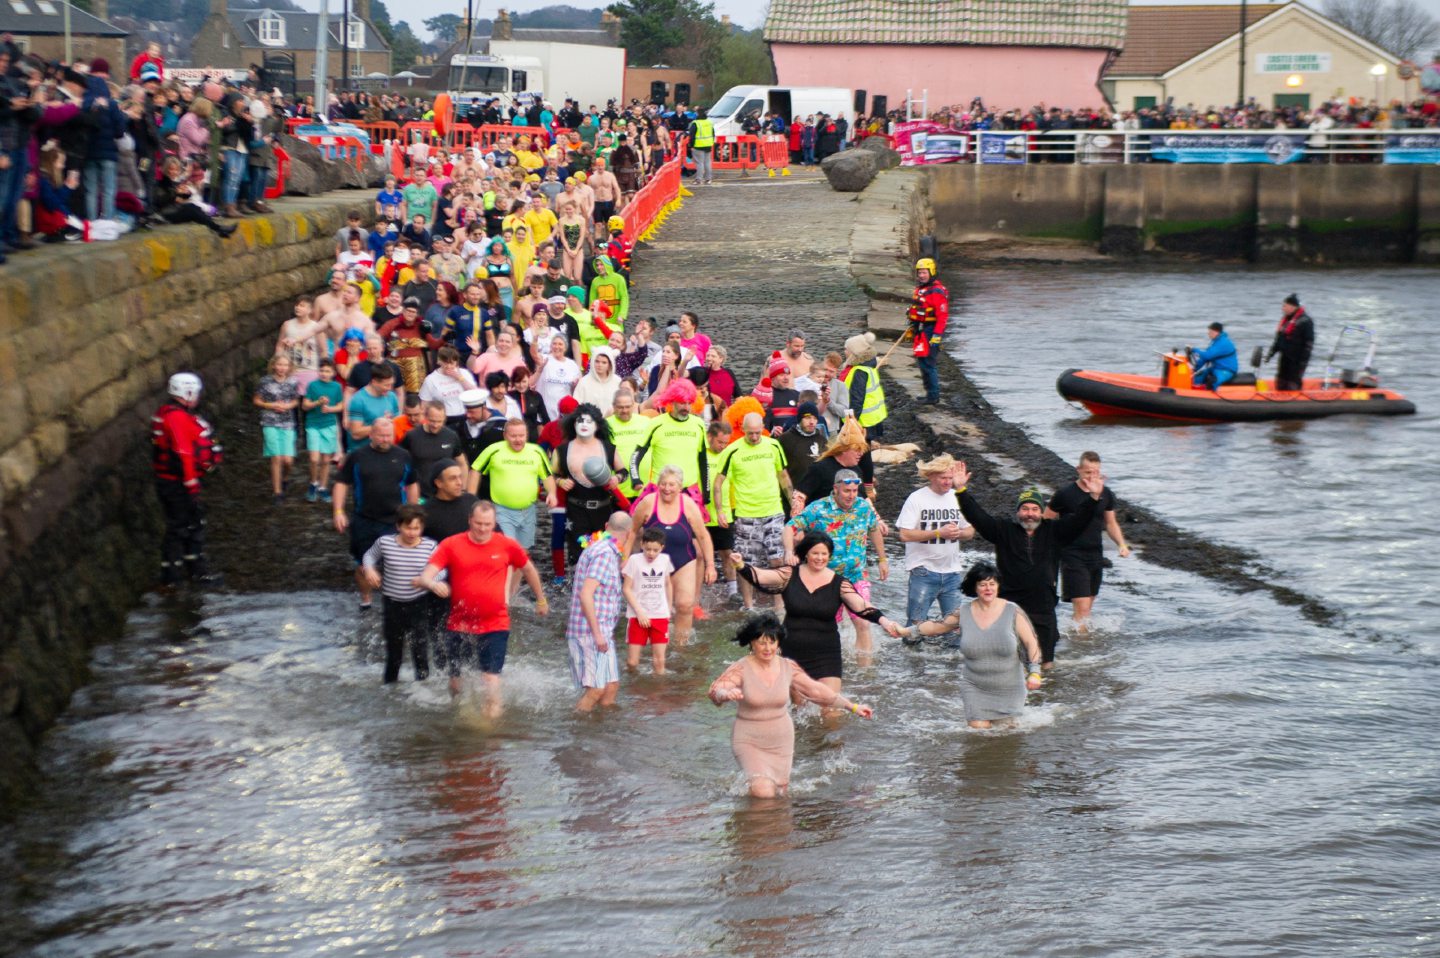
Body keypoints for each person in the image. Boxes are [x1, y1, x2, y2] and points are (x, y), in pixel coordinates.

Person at [952, 460, 1104, 667]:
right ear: (1018, 512)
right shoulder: (1003, 530)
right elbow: (978, 517)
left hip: (1044, 607)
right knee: (1009, 661)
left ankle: (1046, 698)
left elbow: (1080, 520)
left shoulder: (1055, 531)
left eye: (1034, 508)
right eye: (1025, 508)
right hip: (1010, 605)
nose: (1030, 513)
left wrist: (1094, 498)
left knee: (1046, 664)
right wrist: (961, 490)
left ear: (1041, 512)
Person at [708, 612, 874, 799]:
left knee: (779, 794)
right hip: (749, 740)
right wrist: (725, 694)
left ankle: (769, 826)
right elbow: (716, 690)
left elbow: (816, 691)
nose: (767, 648)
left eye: (772, 642)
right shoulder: (741, 667)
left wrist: (851, 706)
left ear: (779, 643)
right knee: (763, 791)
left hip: (781, 741)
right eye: (762, 642)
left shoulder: (787, 667)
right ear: (751, 643)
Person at [416, 501, 548, 713]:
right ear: (470, 520)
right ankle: (457, 710)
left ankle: (490, 730)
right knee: (456, 683)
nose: (483, 529)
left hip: (496, 622)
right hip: (460, 623)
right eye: (478, 523)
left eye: (488, 524)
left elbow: (529, 570)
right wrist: (433, 584)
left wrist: (541, 600)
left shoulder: (507, 545)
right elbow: (425, 576)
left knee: (490, 678)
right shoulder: (451, 544)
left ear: (494, 523)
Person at [909, 562, 1044, 728]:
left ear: (998, 586)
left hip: (1009, 687)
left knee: (1006, 737)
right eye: (983, 584)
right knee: (978, 732)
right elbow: (937, 626)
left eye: (992, 584)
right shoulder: (964, 612)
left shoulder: (1012, 611)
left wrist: (1035, 672)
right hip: (974, 686)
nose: (988, 588)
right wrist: (906, 631)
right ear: (975, 587)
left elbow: (1031, 641)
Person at [784, 468, 888, 656]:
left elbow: (874, 529)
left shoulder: (863, 507)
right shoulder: (818, 509)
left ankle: (865, 674)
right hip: (825, 580)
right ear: (836, 488)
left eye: (855, 491)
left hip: (856, 575)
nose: (851, 496)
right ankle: (823, 664)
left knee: (863, 622)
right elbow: (789, 528)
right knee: (827, 627)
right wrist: (789, 552)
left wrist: (882, 559)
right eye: (847, 491)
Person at [332, 418, 419, 611]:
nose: (385, 439)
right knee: (364, 564)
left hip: (395, 520)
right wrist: (338, 511)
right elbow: (341, 483)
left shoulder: (403, 455)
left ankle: (396, 599)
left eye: (388, 435)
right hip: (365, 518)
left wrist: (414, 515)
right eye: (381, 435)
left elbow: (412, 484)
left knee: (397, 563)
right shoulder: (357, 456)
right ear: (371, 434)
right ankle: (366, 599)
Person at [626, 464, 716, 643]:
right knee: (655, 608)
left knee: (684, 605)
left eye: (672, 485)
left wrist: (710, 566)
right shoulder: (648, 503)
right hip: (653, 564)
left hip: (683, 561)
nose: (667, 489)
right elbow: (632, 532)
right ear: (658, 484)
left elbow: (703, 536)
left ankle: (680, 647)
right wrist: (625, 559)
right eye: (663, 484)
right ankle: (656, 645)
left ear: (680, 487)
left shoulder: (688, 504)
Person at [1043, 451, 1130, 632]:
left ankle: (1079, 642)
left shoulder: (1106, 493)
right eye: (1088, 472)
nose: (1091, 476)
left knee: (1087, 607)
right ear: (1078, 470)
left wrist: (1121, 544)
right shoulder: (1065, 494)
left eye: (1095, 472)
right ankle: (1082, 651)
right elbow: (1046, 521)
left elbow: (1111, 523)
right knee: (1082, 607)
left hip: (1095, 554)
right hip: (1071, 554)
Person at [713, 413, 792, 612]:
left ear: (763, 428)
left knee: (777, 558)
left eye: (757, 433)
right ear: (743, 430)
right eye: (750, 433)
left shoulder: (773, 446)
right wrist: (720, 510)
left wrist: (794, 504)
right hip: (746, 514)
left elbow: (783, 476)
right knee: (746, 563)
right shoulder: (732, 450)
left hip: (773, 510)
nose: (754, 437)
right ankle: (749, 606)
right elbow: (718, 482)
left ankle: (779, 605)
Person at [150, 372, 223, 586]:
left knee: (191, 524)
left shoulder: (166, 413)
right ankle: (174, 577)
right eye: (196, 393)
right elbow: (184, 452)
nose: (198, 397)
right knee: (181, 526)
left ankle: (191, 572)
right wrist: (191, 484)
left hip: (173, 480)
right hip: (177, 483)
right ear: (187, 392)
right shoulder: (176, 417)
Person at [361, 504, 438, 684]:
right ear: (398, 526)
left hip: (418, 603)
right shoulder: (385, 543)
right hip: (392, 604)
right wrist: (369, 569)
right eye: (408, 528)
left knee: (420, 651)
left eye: (416, 528)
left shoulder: (430, 546)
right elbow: (369, 556)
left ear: (422, 528)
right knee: (393, 653)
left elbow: (441, 570)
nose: (412, 533)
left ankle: (423, 690)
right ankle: (389, 691)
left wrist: (428, 580)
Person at [897, 454, 974, 629]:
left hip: (952, 572)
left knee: (955, 626)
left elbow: (970, 531)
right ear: (931, 476)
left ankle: (950, 657)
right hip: (923, 571)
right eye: (943, 478)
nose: (948, 482)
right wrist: (939, 532)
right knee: (915, 625)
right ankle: (911, 655)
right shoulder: (917, 498)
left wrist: (958, 533)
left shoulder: (956, 498)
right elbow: (904, 535)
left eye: (950, 478)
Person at [566, 511, 632, 711]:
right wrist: (597, 634)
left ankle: (600, 735)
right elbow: (586, 594)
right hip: (590, 632)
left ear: (606, 525)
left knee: (611, 686)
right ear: (629, 534)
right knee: (596, 689)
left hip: (602, 630)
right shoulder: (604, 554)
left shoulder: (604, 548)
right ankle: (577, 731)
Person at [469, 419, 556, 561]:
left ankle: (513, 584)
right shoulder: (494, 450)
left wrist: (552, 493)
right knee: (508, 550)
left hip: (528, 510)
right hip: (502, 510)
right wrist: (470, 499)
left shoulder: (536, 452)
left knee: (523, 554)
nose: (518, 440)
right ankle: (505, 583)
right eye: (513, 436)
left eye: (521, 436)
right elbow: (475, 471)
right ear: (505, 435)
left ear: (526, 435)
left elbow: (547, 476)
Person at [622, 527, 676, 674]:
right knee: (632, 662)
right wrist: (640, 613)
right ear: (642, 545)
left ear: (662, 548)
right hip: (637, 616)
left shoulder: (665, 560)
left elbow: (667, 584)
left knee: (659, 662)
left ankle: (658, 694)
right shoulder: (634, 560)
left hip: (659, 615)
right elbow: (626, 588)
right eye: (647, 549)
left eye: (655, 550)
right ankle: (633, 687)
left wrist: (669, 608)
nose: (651, 553)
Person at [253, 354, 300, 504]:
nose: (282, 368)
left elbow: (295, 400)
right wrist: (270, 405)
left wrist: (287, 406)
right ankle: (277, 492)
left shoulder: (293, 382)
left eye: (285, 365)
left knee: (288, 460)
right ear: (273, 365)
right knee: (277, 458)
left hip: (287, 422)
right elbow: (257, 400)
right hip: (269, 421)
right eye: (279, 365)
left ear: (289, 367)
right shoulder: (265, 381)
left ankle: (285, 478)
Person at [400, 400, 465, 500]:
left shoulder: (451, 436)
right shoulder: (412, 436)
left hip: (445, 495)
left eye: (439, 422)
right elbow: (400, 461)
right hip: (420, 496)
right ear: (425, 417)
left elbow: (462, 463)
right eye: (432, 421)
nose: (435, 425)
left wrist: (462, 488)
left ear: (445, 419)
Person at [907, 257, 949, 405]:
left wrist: (937, 336)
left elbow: (942, 316)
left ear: (931, 272)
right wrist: (913, 326)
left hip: (931, 330)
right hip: (921, 329)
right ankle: (929, 394)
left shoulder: (937, 291)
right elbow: (918, 310)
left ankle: (933, 396)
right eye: (919, 272)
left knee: (928, 363)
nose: (921, 275)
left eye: (924, 272)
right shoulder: (921, 290)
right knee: (922, 361)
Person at [302, 359, 345, 502]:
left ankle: (323, 487)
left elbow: (341, 405)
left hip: (329, 425)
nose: (324, 374)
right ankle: (313, 483)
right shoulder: (312, 386)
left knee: (326, 460)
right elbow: (305, 406)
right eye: (322, 371)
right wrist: (317, 403)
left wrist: (330, 409)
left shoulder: (337, 387)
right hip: (313, 425)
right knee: (314, 459)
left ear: (333, 373)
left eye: (327, 371)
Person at [842, 332, 888, 440]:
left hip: (862, 422)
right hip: (872, 419)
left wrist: (851, 421)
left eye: (846, 349)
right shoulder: (868, 367)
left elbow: (857, 399)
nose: (844, 351)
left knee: (860, 452)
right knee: (865, 451)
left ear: (854, 353)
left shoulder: (859, 372)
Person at [1267, 293, 1315, 391]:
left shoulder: (1305, 321)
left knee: (1293, 382)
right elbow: (1278, 340)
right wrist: (1270, 354)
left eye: (1285, 306)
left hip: (1297, 359)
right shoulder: (1286, 320)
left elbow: (1309, 342)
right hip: (1285, 357)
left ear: (1292, 306)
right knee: (1281, 381)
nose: (1283, 308)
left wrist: (1303, 360)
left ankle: (1295, 403)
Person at [1190, 322, 1239, 390]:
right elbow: (1204, 358)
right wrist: (1193, 370)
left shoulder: (1223, 343)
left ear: (1216, 332)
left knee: (1213, 381)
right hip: (1216, 368)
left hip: (1226, 370)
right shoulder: (1215, 342)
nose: (1208, 333)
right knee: (1198, 377)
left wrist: (1194, 350)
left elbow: (1207, 356)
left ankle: (1209, 395)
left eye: (1210, 331)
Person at [687, 108, 715, 186]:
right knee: (707, 162)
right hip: (708, 144)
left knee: (699, 163)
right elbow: (713, 133)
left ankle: (699, 179)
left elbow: (691, 135)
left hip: (698, 145)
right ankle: (708, 179)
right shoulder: (709, 122)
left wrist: (691, 145)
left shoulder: (696, 123)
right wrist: (711, 142)